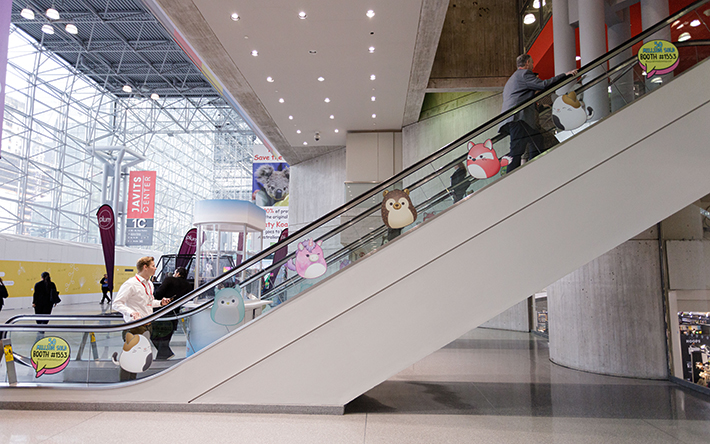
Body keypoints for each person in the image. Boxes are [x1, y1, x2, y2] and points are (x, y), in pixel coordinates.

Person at [500, 54, 577, 173]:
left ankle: (532, 167)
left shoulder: (513, 78)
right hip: (519, 119)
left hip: (517, 119)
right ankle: (510, 178)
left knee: (537, 139)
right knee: (517, 151)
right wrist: (565, 75)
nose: (532, 65)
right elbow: (543, 85)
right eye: (531, 62)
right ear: (526, 63)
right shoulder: (524, 74)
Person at [112, 256, 171, 380]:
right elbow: (117, 303)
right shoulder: (131, 284)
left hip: (147, 325)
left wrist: (160, 303)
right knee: (130, 357)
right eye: (153, 266)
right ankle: (124, 383)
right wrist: (131, 312)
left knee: (138, 358)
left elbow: (148, 303)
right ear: (145, 267)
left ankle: (131, 382)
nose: (155, 268)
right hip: (134, 327)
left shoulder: (149, 284)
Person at [152, 267, 192, 360]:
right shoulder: (188, 285)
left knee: (154, 334)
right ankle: (162, 357)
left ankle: (164, 354)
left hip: (161, 311)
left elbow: (158, 293)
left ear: (177, 273)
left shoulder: (169, 280)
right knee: (166, 337)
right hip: (174, 313)